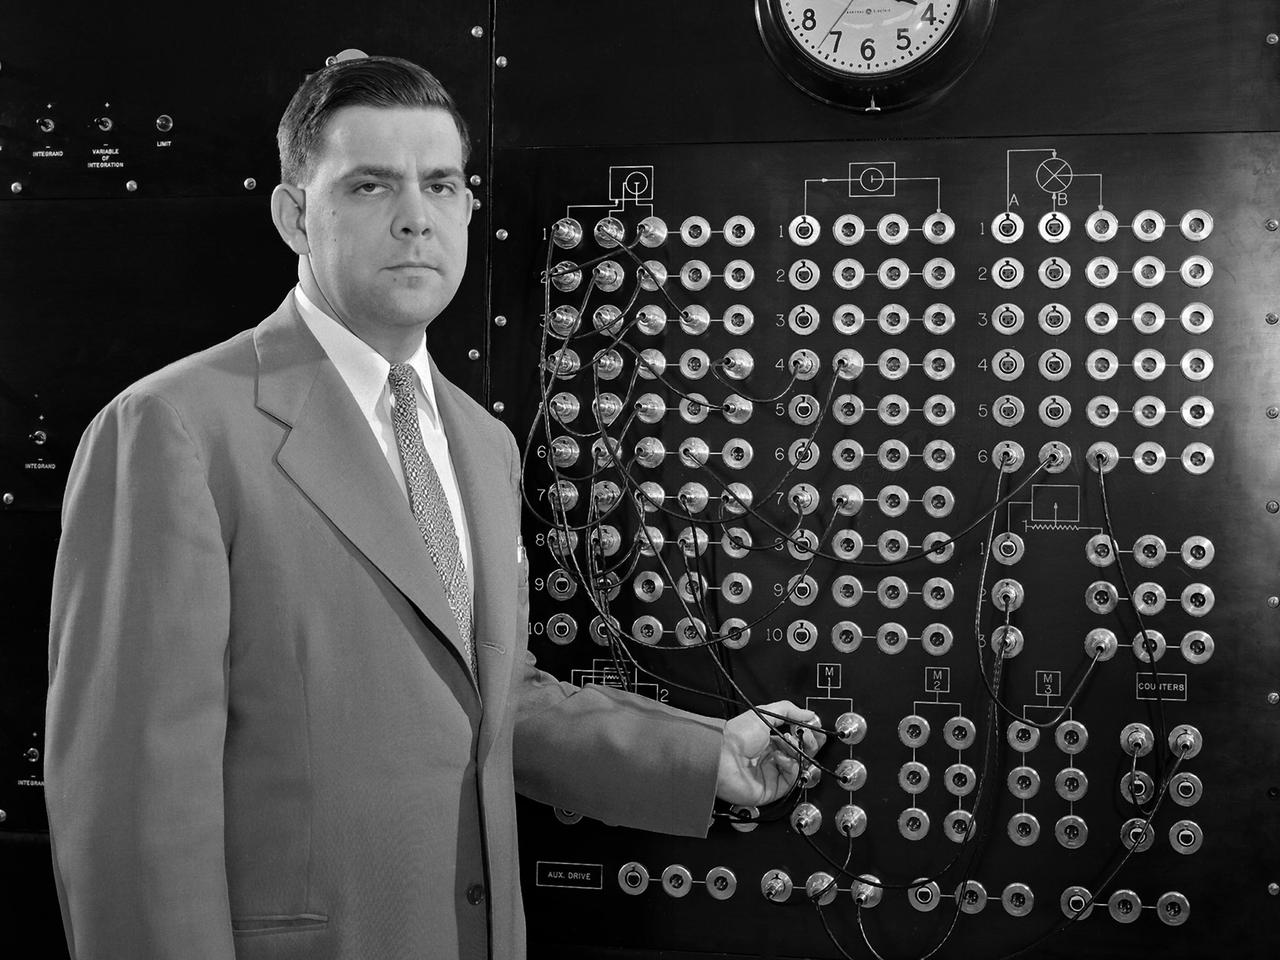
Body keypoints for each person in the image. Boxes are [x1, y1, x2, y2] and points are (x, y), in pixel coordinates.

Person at [44, 55, 825, 960]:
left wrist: (702, 756)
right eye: (370, 184)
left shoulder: (479, 441)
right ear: (296, 214)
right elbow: (130, 799)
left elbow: (490, 701)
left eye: (441, 184)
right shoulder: (174, 429)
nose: (415, 216)